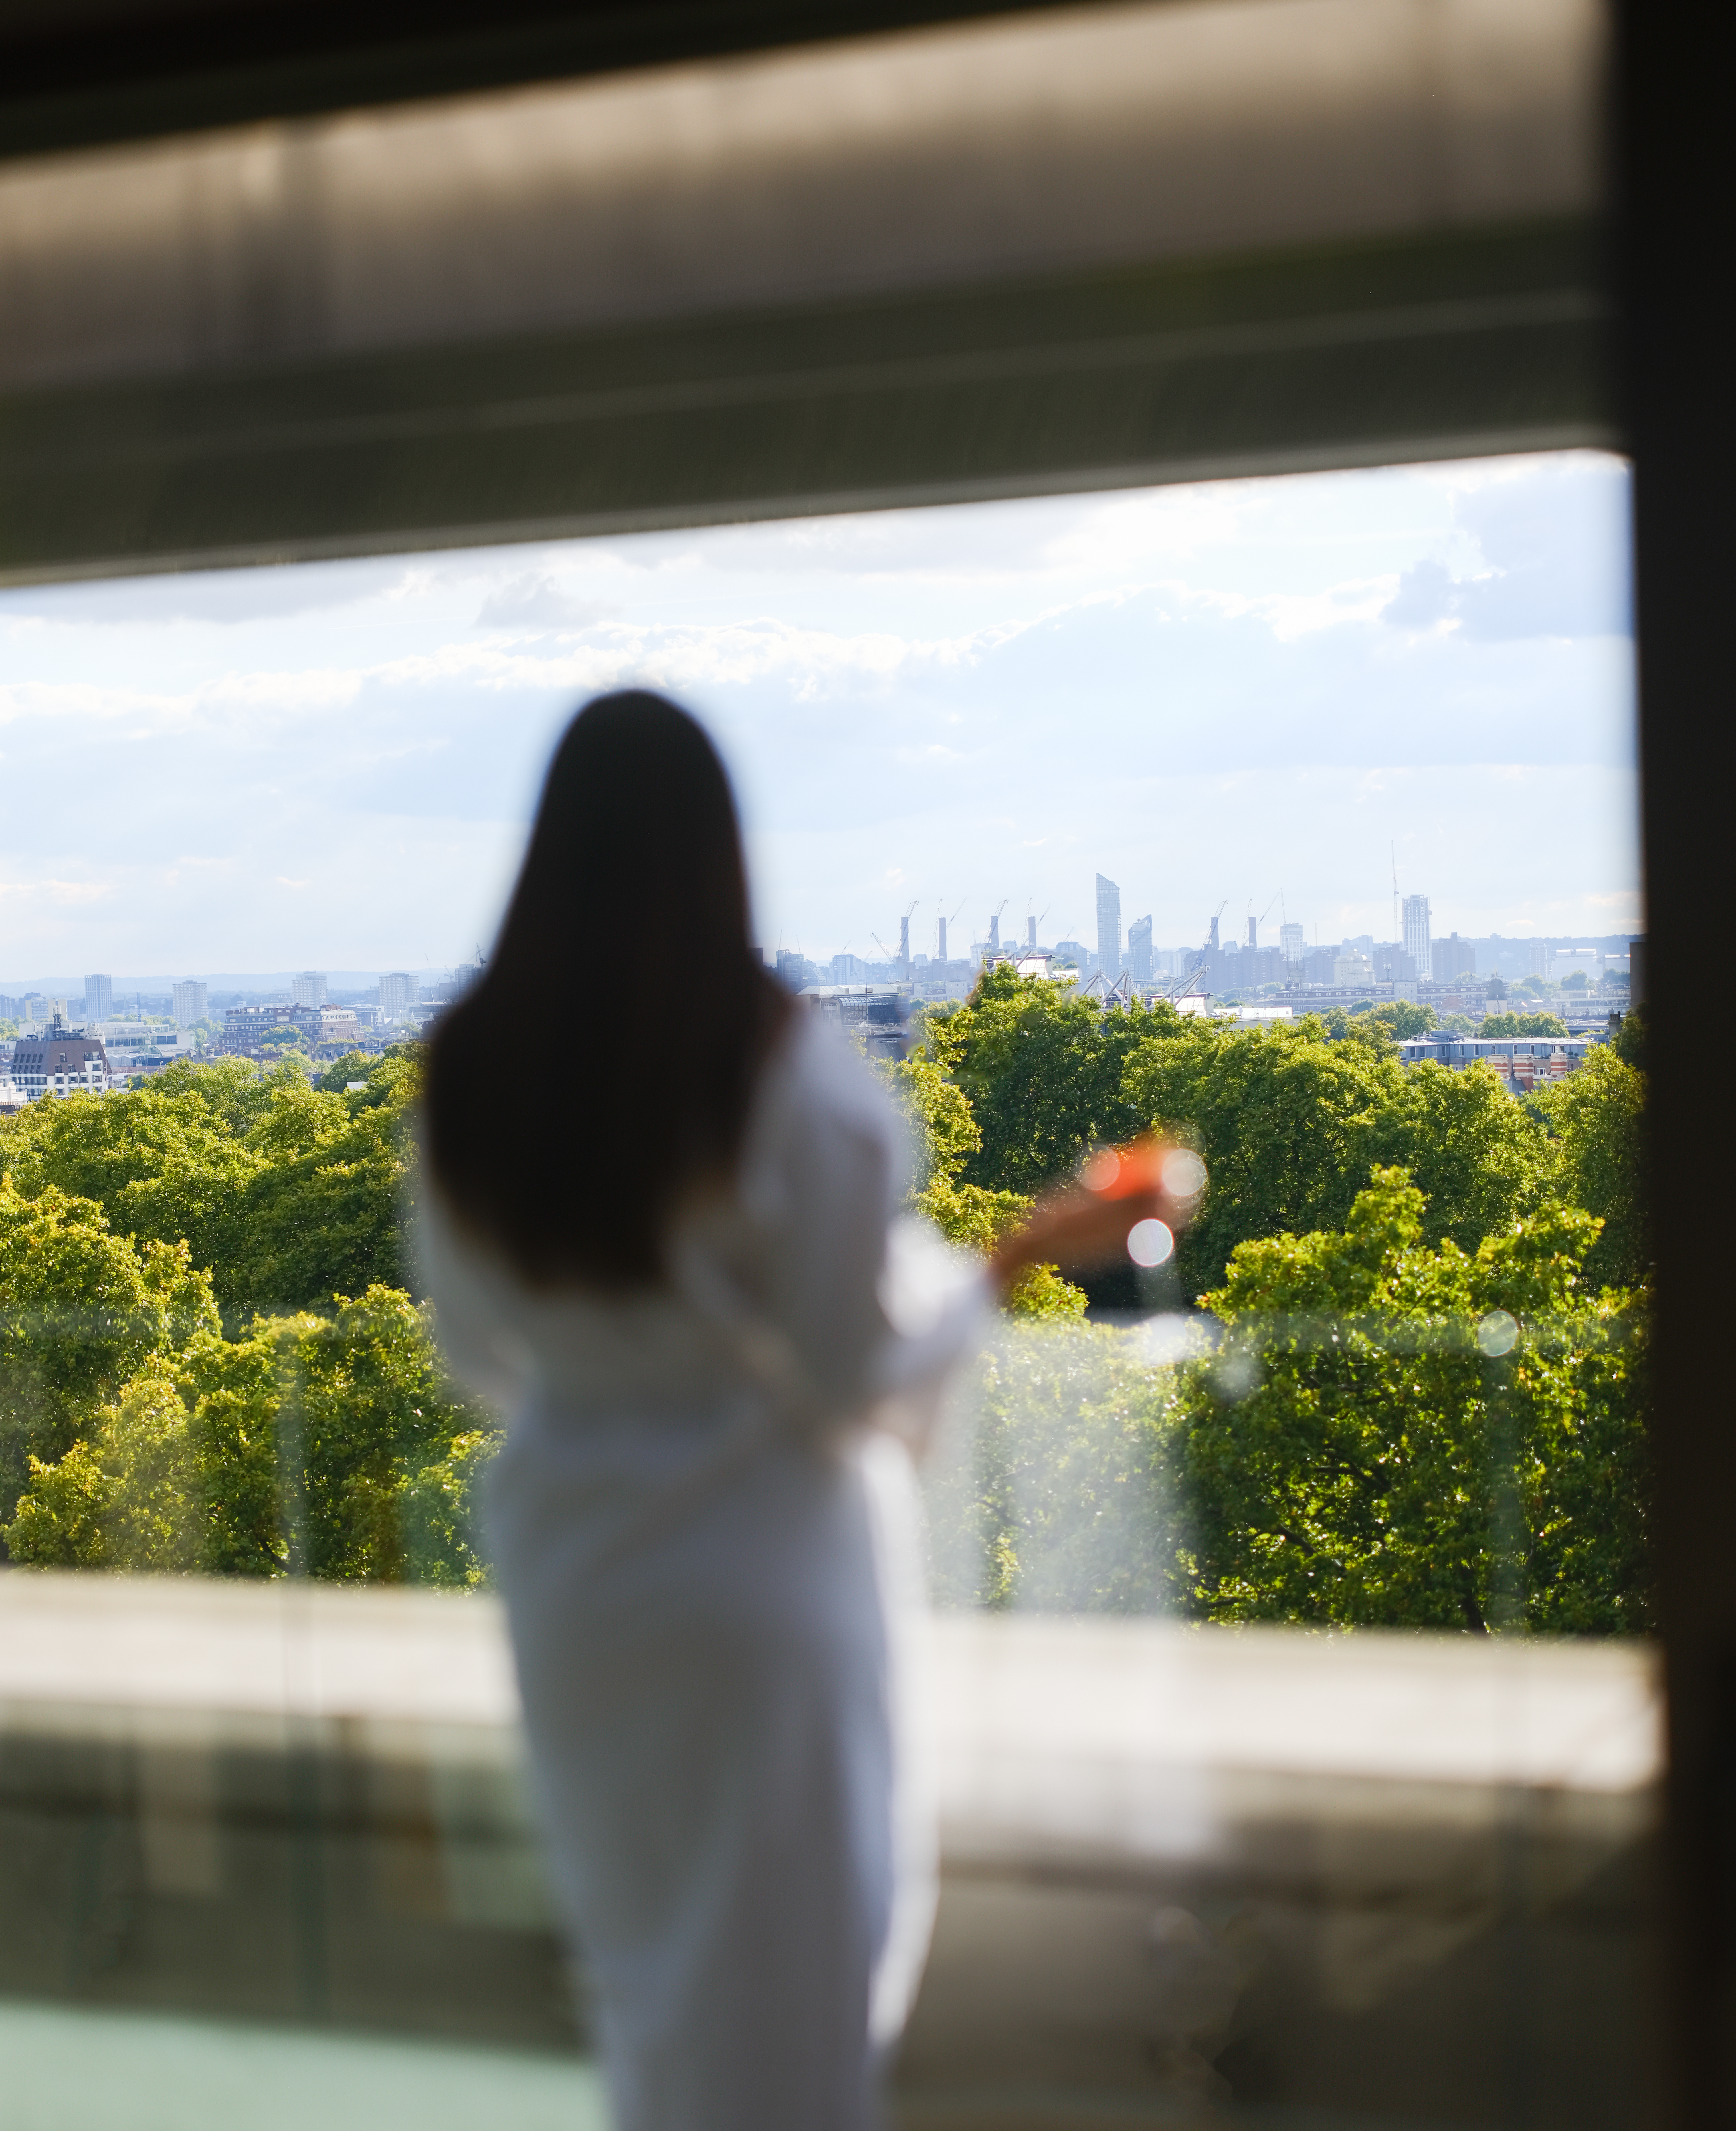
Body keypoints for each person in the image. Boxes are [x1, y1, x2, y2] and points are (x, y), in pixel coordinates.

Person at [419, 691, 1190, 2131]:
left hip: (574, 1580)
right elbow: (848, 1377)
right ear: (722, 855)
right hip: (763, 1581)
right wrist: (1019, 1252)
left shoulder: (473, 1077)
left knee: (650, 2003)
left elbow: (479, 1345)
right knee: (794, 2031)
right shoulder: (776, 1069)